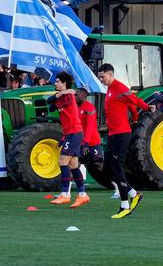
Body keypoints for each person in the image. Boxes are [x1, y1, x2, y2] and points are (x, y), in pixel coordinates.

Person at [97, 63, 150, 219]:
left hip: (122, 134)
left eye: (103, 76)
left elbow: (133, 99)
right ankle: (134, 194)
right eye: (100, 77)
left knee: (117, 167)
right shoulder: (110, 90)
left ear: (110, 74)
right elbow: (129, 105)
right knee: (106, 169)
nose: (101, 79)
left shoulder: (119, 87)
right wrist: (133, 117)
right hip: (113, 134)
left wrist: (147, 107)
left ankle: (124, 205)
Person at [47, 72, 89, 208]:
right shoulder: (66, 95)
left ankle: (65, 194)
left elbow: (50, 102)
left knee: (62, 161)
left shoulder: (69, 96)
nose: (55, 83)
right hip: (72, 134)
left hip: (74, 133)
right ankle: (82, 195)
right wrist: (60, 94)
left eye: (57, 81)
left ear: (64, 83)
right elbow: (50, 105)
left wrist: (62, 93)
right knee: (73, 165)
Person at [76, 88, 104, 191]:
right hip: (81, 142)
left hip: (92, 143)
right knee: (74, 164)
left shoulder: (90, 108)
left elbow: (90, 127)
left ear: (83, 95)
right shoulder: (77, 108)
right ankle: (67, 192)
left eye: (76, 94)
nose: (74, 97)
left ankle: (118, 187)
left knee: (100, 167)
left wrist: (86, 143)